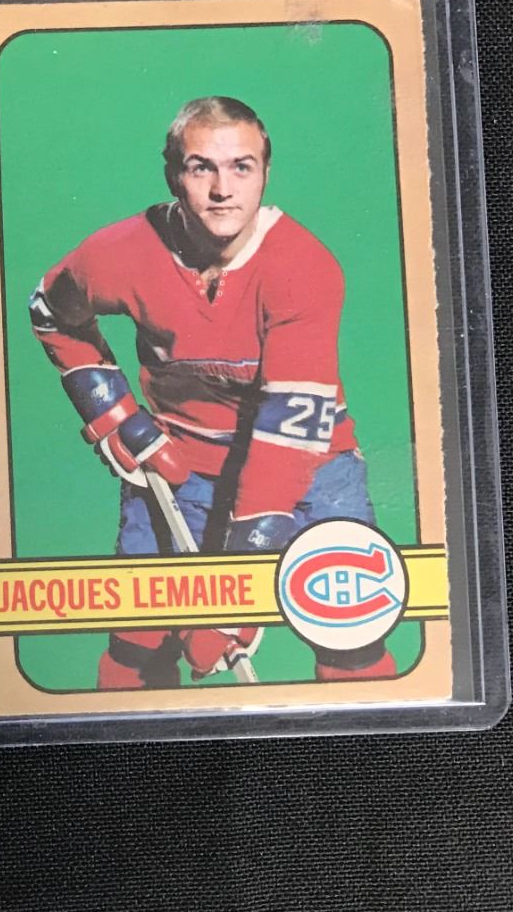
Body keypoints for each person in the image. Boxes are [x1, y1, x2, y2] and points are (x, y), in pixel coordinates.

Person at [29, 94, 394, 691]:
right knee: (136, 647)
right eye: (202, 168)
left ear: (265, 173)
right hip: (183, 467)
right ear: (173, 174)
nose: (223, 189)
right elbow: (50, 312)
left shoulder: (304, 267)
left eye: (241, 167)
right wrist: (112, 413)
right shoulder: (119, 255)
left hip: (310, 467)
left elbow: (285, 441)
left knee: (353, 637)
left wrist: (232, 595)